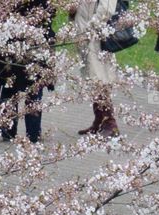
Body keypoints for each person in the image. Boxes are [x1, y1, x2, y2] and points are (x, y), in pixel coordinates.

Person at [0, 0, 56, 143]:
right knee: (33, 86)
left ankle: (8, 130)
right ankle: (32, 133)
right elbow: (49, 11)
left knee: (10, 85)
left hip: (12, 38)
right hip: (31, 40)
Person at [70, 0, 120, 136]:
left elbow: (107, 9)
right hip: (84, 36)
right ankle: (99, 119)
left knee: (100, 78)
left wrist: (90, 28)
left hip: (96, 37)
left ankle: (109, 122)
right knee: (93, 78)